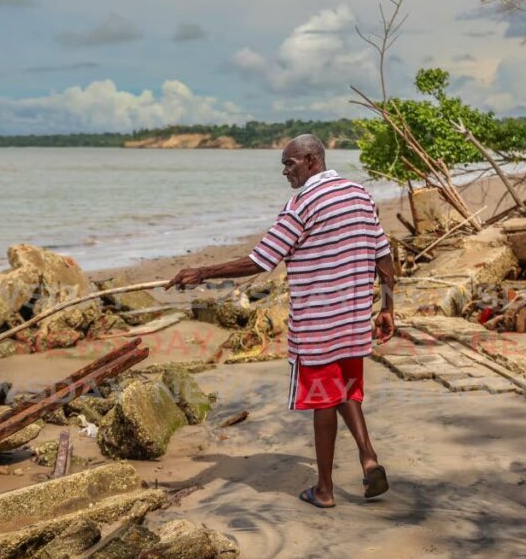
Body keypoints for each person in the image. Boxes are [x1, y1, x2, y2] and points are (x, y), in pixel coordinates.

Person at [167, 134, 396, 508]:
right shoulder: (359, 194)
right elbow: (384, 260)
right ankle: (368, 457)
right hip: (354, 319)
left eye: (289, 164)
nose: (285, 172)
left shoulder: (302, 204)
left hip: (319, 322)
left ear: (310, 160)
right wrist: (388, 308)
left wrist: (202, 272)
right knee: (346, 389)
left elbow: (260, 260)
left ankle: (324, 490)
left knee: (325, 400)